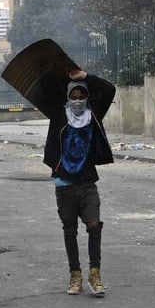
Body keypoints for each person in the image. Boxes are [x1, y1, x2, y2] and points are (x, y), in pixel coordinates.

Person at [42, 66, 116, 296]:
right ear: (67, 97)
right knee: (70, 230)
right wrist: (60, 74)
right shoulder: (58, 116)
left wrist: (85, 77)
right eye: (72, 96)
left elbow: (109, 90)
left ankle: (96, 274)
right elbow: (46, 87)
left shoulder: (93, 115)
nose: (76, 100)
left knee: (94, 225)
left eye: (81, 95)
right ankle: (75, 275)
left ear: (86, 96)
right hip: (64, 185)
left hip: (87, 183)